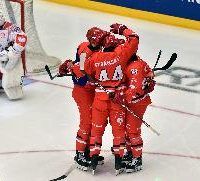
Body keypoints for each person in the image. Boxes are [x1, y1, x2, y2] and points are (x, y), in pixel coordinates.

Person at [73, 23, 139, 175]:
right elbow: (134, 39)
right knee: (118, 131)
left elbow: (80, 68)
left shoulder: (95, 57)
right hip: (117, 101)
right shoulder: (121, 53)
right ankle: (118, 161)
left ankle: (93, 159)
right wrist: (123, 30)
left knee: (96, 130)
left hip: (99, 100)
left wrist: (71, 65)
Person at [59, 27, 106, 171]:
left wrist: (70, 65)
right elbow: (81, 74)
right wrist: (72, 67)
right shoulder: (85, 50)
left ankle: (89, 150)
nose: (103, 41)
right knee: (87, 122)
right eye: (100, 39)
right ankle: (80, 153)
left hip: (93, 91)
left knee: (95, 121)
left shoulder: (96, 50)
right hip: (83, 92)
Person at [114, 53, 155, 173]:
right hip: (134, 101)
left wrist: (121, 96)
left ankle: (137, 158)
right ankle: (131, 152)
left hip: (137, 102)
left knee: (132, 130)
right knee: (127, 129)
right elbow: (149, 78)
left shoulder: (134, 67)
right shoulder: (137, 62)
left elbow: (136, 90)